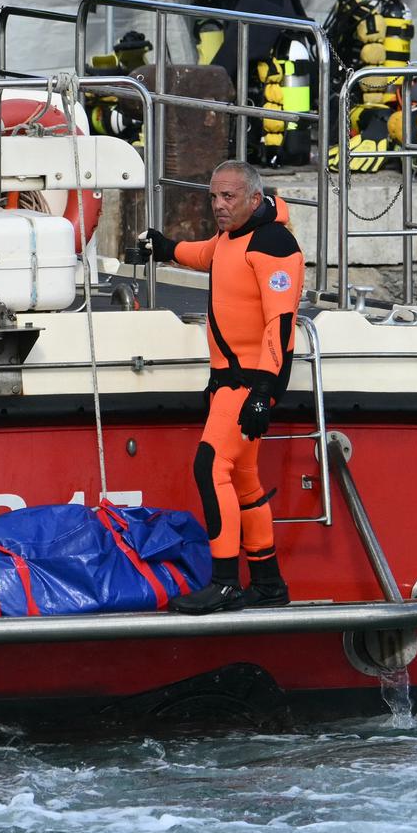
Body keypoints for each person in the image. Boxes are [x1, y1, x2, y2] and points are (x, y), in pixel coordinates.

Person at [135, 160, 302, 613]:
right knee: (244, 482)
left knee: (211, 467)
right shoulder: (232, 239)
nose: (218, 205)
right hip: (228, 380)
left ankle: (225, 581)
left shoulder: (274, 244)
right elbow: (204, 254)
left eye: (228, 197)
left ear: (253, 198)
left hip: (250, 382)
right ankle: (268, 584)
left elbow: (280, 325)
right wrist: (165, 247)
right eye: (213, 196)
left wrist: (265, 392)